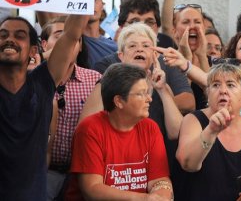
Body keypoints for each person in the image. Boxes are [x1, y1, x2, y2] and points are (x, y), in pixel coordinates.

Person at [0, 14, 88, 200]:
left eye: (19, 35)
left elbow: (72, 33)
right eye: (3, 35)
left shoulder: (42, 83)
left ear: (34, 51)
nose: (9, 39)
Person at [66, 64, 173, 200]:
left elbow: (160, 179)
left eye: (147, 92)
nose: (149, 99)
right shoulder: (90, 129)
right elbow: (91, 189)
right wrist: (144, 199)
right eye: (141, 94)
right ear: (119, 101)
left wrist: (161, 196)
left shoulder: (150, 128)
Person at [176, 62, 241, 200]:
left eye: (230, 85)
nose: (223, 90)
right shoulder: (193, 120)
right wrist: (211, 131)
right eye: (216, 85)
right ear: (208, 93)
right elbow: (188, 164)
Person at [41, 17, 102, 200]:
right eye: (59, 37)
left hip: (82, 174)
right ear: (44, 44)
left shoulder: (95, 80)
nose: (67, 43)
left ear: (81, 46)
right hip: (43, 172)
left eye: (75, 39)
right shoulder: (31, 78)